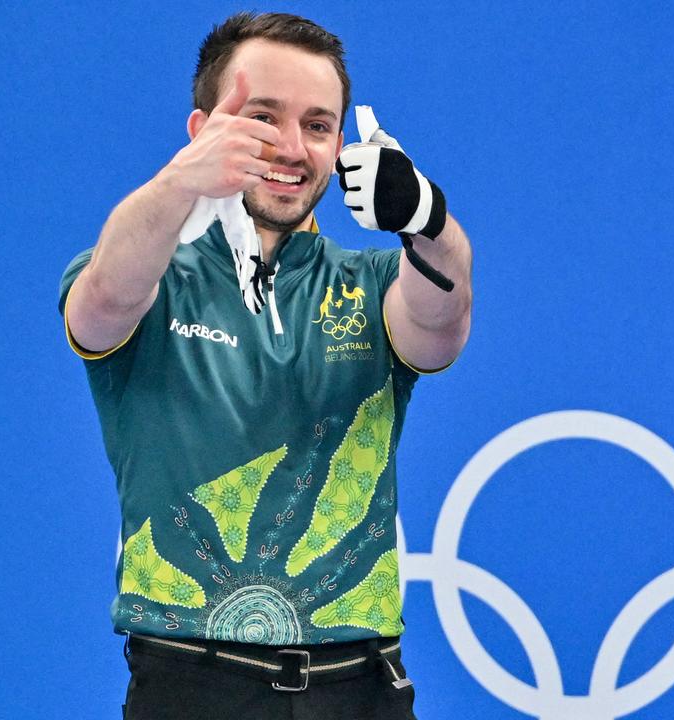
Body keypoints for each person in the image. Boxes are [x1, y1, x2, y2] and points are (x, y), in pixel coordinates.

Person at [58, 12, 471, 719]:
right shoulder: (153, 278)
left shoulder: (374, 284)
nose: (290, 146)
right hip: (190, 683)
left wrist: (426, 217)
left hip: (361, 687)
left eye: (317, 125)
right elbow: (102, 300)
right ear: (200, 131)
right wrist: (178, 185)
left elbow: (443, 322)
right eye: (261, 118)